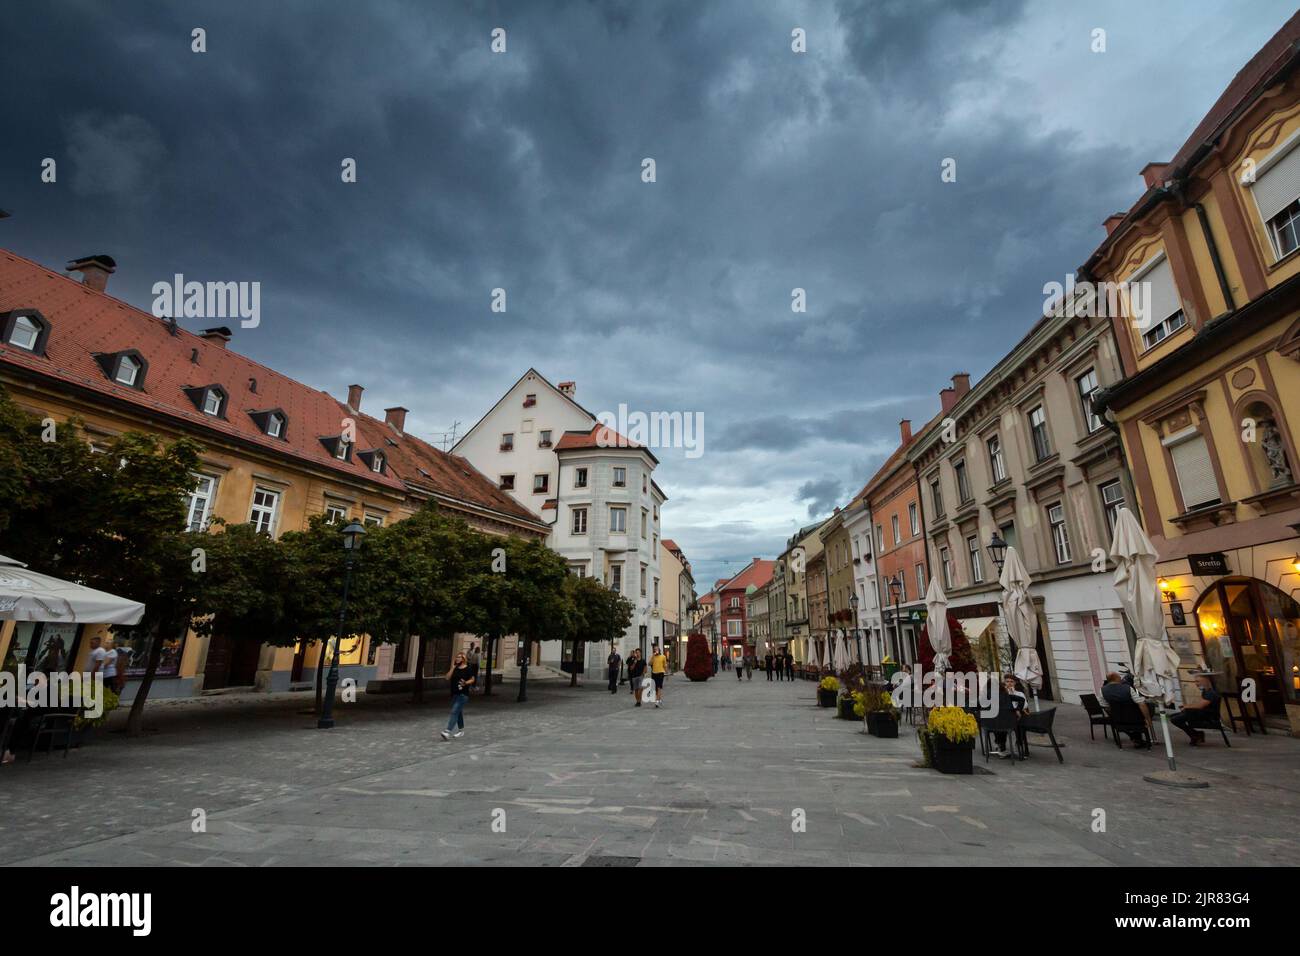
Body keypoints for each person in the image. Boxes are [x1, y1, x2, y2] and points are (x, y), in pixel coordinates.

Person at [1170, 672, 1223, 745]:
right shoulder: (1205, 691)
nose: (1196, 683)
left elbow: (1201, 705)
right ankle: (1195, 734)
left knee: (1175, 719)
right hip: (1201, 713)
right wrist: (1186, 707)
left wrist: (1186, 707)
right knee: (1174, 717)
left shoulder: (1211, 693)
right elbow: (1199, 703)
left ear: (1205, 681)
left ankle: (1195, 735)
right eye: (1195, 681)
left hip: (1208, 717)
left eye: (1198, 681)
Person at [1102, 671, 1152, 748]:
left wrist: (1113, 716)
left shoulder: (1102, 690)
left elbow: (1106, 707)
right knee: (1146, 708)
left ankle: (1136, 739)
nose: (1120, 678)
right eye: (1119, 677)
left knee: (1123, 722)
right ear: (1116, 678)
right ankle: (1137, 739)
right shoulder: (1127, 688)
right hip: (1135, 718)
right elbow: (1141, 703)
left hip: (1118, 719)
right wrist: (1147, 719)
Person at [989, 674, 1028, 758]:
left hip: (1016, 716)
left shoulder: (1019, 693)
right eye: (1007, 681)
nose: (1009, 683)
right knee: (999, 723)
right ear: (1004, 683)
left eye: (1011, 682)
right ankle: (1001, 746)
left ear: (1015, 683)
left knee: (1020, 725)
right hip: (1004, 717)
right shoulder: (1000, 694)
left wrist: (1017, 709)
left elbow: (1025, 705)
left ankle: (1018, 745)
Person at [440, 651, 476, 740]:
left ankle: (448, 731)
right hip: (454, 694)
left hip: (463, 695)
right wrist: (452, 668)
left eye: (459, 657)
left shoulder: (468, 668)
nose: (457, 659)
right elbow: (447, 677)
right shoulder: (455, 668)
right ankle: (461, 731)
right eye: (457, 657)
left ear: (463, 659)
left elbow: (472, 679)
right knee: (458, 712)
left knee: (454, 711)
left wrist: (466, 683)